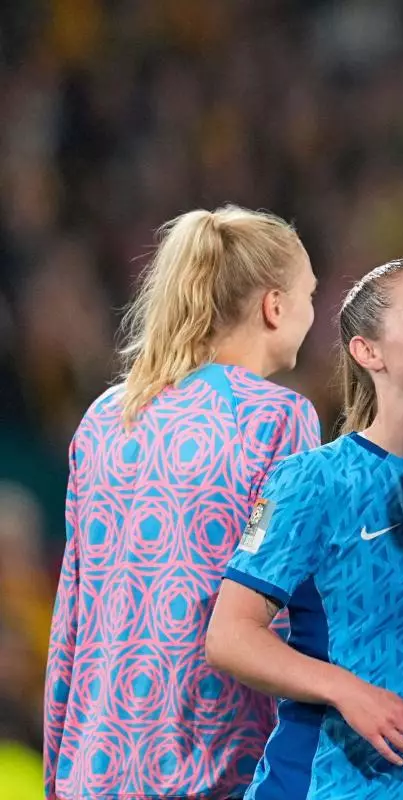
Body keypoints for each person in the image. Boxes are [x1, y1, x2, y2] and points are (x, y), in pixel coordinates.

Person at [44, 206, 321, 800]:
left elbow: (71, 613)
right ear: (275, 306)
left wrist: (57, 774)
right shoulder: (278, 418)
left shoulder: (104, 417)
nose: (311, 313)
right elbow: (287, 608)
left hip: (91, 770)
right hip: (212, 769)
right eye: (308, 295)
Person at [205, 258, 403, 800]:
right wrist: (348, 692)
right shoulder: (315, 482)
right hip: (320, 783)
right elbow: (230, 636)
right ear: (369, 351)